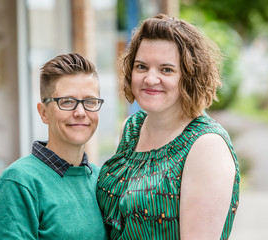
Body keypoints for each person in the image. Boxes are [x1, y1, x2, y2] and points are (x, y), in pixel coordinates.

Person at [96, 14, 240, 240]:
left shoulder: (206, 146)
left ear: (189, 76)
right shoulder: (130, 130)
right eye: (141, 66)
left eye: (166, 70)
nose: (150, 79)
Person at [0, 53, 108, 239]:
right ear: (44, 113)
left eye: (90, 101)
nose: (81, 112)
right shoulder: (19, 183)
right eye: (67, 102)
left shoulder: (102, 181)